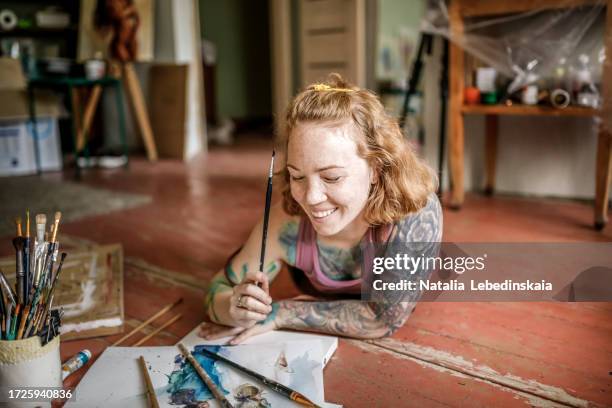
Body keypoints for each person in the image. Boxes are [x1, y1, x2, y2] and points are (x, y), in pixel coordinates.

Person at [200, 74, 442, 344]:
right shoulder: (286, 222)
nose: (311, 198)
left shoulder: (416, 213)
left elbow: (381, 319)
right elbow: (219, 289)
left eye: (332, 177)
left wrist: (280, 312)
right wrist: (234, 310)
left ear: (375, 169)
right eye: (298, 176)